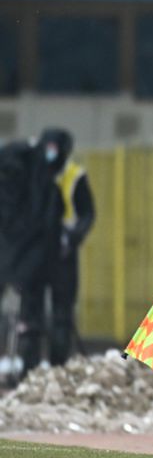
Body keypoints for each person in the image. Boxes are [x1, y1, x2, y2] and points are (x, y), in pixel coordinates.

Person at [16, 130, 94, 371]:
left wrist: (72, 237)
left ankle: (58, 370)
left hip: (62, 254)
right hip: (34, 254)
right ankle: (28, 373)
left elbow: (87, 213)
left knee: (62, 314)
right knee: (30, 314)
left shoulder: (74, 176)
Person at [1, 131, 65, 379]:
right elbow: (46, 220)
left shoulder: (14, 175)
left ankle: (24, 367)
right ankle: (27, 370)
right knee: (30, 313)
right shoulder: (41, 181)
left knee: (24, 310)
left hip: (11, 248)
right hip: (29, 253)